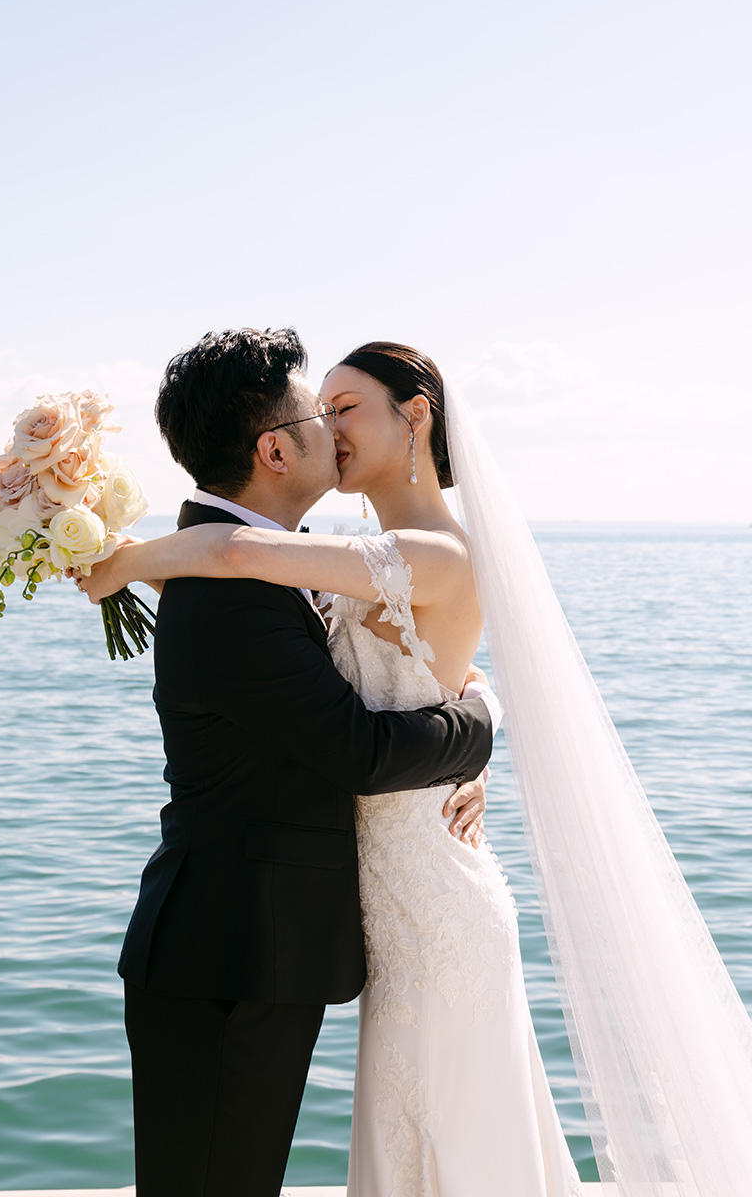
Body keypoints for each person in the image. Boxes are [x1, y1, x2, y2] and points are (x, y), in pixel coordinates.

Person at [81, 338, 585, 1195]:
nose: (335, 429)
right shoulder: (328, 561)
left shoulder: (386, 556)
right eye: (325, 411)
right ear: (275, 448)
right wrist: (477, 719)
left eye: (346, 409)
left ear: (414, 417)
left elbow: (249, 569)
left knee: (454, 1140)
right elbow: (337, 703)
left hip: (407, 903)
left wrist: (117, 561)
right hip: (264, 936)